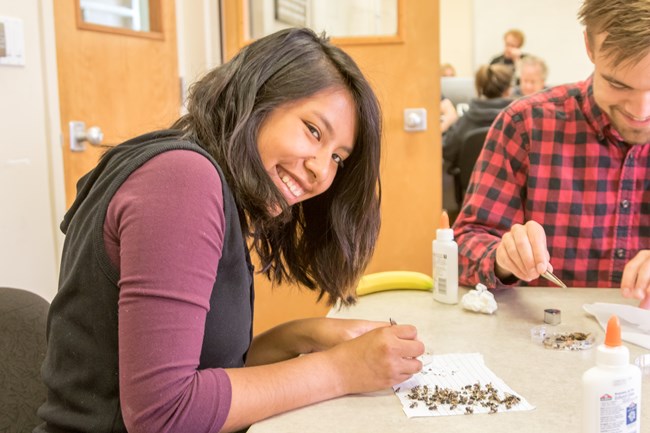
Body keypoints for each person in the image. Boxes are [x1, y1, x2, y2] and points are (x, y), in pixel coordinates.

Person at [35, 28, 424, 433]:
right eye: (313, 130)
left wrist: (303, 336)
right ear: (257, 99)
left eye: (338, 159)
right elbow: (163, 414)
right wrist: (341, 370)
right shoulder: (182, 181)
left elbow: (209, 373)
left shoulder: (197, 176)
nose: (320, 170)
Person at [453, 0, 650, 310]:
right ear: (590, 46)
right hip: (543, 343)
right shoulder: (526, 126)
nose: (641, 111)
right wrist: (502, 258)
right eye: (617, 83)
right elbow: (463, 245)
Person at [442, 64, 513, 167]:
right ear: (508, 90)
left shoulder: (466, 120)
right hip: (509, 182)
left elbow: (447, 151)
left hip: (470, 182)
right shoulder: (518, 119)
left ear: (478, 88)